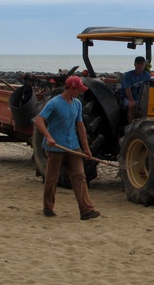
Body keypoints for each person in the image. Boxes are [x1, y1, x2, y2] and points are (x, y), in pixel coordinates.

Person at [33, 75, 100, 220]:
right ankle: (48, 207)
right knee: (52, 178)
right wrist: (49, 137)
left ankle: (86, 210)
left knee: (79, 176)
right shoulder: (54, 103)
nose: (80, 93)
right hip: (56, 146)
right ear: (71, 88)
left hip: (73, 146)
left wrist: (86, 148)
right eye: (78, 90)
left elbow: (80, 126)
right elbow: (39, 120)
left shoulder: (77, 103)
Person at [122, 56, 152, 123]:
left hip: (141, 98)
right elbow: (127, 89)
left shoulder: (146, 75)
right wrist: (131, 100)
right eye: (138, 64)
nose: (140, 66)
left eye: (142, 64)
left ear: (144, 65)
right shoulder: (128, 75)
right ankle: (131, 126)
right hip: (127, 98)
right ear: (135, 64)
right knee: (131, 106)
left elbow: (150, 87)